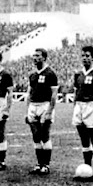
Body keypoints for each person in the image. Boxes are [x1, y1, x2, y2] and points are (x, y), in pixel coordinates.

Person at [72, 46, 93, 182]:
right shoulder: (78, 74)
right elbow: (75, 93)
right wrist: (75, 108)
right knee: (84, 140)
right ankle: (87, 169)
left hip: (92, 106)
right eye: (83, 55)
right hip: (79, 106)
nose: (85, 58)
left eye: (87, 55)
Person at [25, 48, 59, 176]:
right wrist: (27, 110)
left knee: (45, 135)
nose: (35, 58)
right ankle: (39, 164)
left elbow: (54, 94)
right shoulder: (32, 74)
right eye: (34, 56)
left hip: (45, 105)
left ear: (44, 58)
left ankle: (46, 165)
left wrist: (50, 111)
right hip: (33, 106)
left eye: (38, 56)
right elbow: (29, 93)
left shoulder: (50, 74)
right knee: (35, 135)